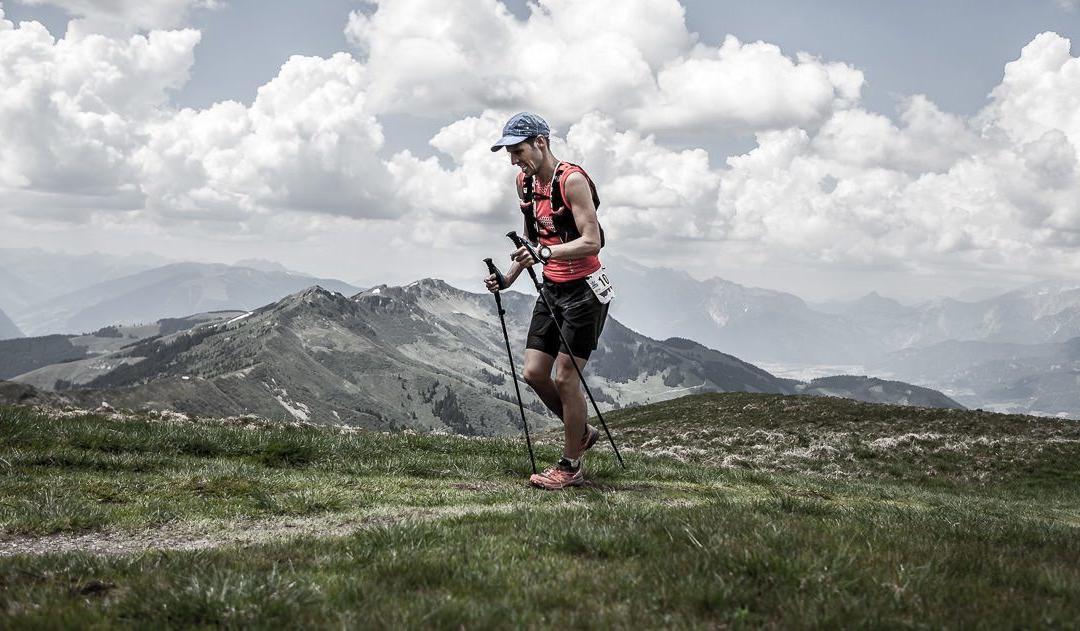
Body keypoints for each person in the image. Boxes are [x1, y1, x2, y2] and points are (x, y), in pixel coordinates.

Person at [485, 112, 612, 490]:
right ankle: (582, 432)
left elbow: (593, 241)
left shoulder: (571, 180)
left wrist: (545, 255)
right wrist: (507, 278)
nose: (513, 159)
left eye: (518, 150)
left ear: (540, 142)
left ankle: (570, 465)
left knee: (566, 378)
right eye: (509, 153)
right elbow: (530, 244)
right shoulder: (524, 183)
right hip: (553, 288)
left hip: (585, 290)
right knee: (535, 373)